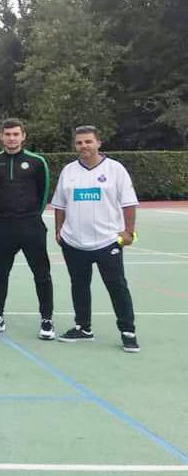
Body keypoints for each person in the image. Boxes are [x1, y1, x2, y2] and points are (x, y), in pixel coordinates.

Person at [51, 125, 140, 352]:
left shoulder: (115, 169)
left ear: (99, 143)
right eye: (79, 142)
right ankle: (83, 327)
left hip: (108, 241)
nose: (84, 146)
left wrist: (129, 231)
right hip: (74, 242)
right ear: (75, 145)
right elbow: (60, 205)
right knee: (79, 285)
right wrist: (58, 230)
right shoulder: (69, 171)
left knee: (117, 286)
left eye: (88, 141)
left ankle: (128, 331)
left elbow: (129, 203)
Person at [0, 119, 54, 339]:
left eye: (15, 134)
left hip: (31, 225)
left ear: (23, 136)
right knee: (0, 273)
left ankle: (47, 319)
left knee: (41, 274)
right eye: (7, 134)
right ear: (0, 136)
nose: (11, 138)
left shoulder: (36, 161)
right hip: (2, 226)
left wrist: (30, 216)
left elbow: (43, 193)